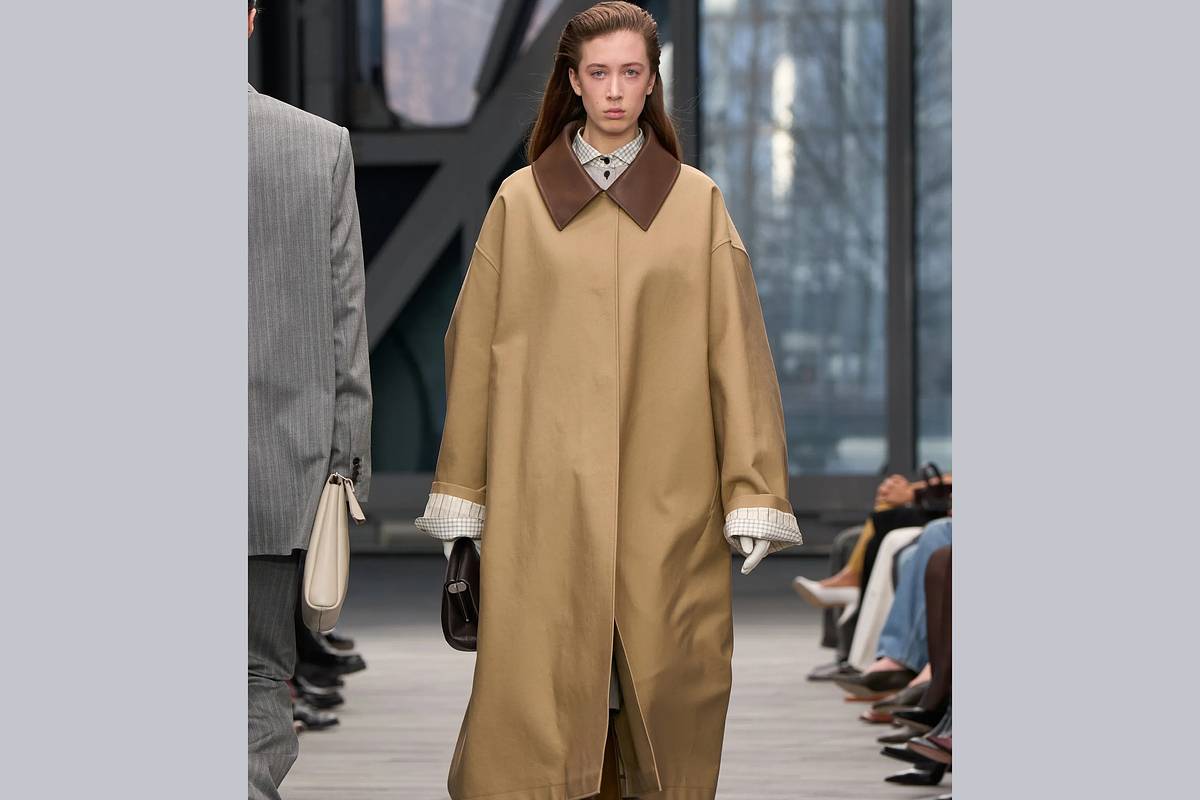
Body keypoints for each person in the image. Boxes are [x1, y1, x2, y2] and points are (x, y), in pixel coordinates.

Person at [413, 4, 801, 798]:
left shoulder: (696, 203)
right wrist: (463, 491)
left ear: (653, 82)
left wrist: (754, 490)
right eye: (599, 73)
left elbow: (738, 351)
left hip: (669, 500)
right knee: (542, 704)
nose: (616, 90)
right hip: (546, 501)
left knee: (667, 694)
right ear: (573, 81)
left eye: (631, 72)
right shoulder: (521, 203)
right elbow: (474, 352)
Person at [247, 2, 372, 798]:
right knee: (256, 676)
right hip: (274, 471)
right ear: (251, 20)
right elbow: (344, 320)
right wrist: (344, 468)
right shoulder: (317, 145)